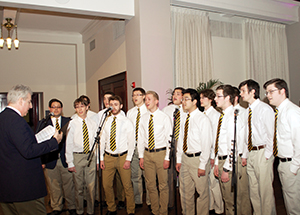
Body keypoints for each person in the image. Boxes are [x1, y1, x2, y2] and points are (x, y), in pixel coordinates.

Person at [0, 84, 62, 215]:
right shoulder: (16, 121)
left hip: (6, 187)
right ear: (21, 100)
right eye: (29, 102)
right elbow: (28, 151)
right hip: (23, 188)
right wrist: (53, 142)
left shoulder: (3, 118)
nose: (31, 106)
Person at [239, 79, 276, 215]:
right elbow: (246, 135)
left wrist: (267, 155)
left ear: (252, 91)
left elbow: (271, 134)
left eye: (243, 91)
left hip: (262, 152)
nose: (241, 94)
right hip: (251, 152)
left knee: (265, 190)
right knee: (253, 190)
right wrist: (245, 155)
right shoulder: (247, 111)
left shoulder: (264, 109)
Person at [264, 78, 300, 215]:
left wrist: (294, 166)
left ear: (282, 91)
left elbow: (299, 141)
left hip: (292, 164)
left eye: (271, 91)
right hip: (283, 162)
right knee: (289, 202)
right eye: (267, 93)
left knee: (294, 206)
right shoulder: (278, 112)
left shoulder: (292, 112)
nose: (268, 96)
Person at [176, 88, 212, 215]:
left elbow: (207, 144)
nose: (183, 102)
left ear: (195, 101)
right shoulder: (184, 118)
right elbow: (181, 139)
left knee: (202, 193)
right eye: (183, 99)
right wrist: (179, 159)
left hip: (198, 159)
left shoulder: (203, 119)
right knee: (185, 192)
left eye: (186, 99)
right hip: (185, 159)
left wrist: (202, 165)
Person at [37, 98, 76, 215]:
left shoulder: (69, 121)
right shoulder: (43, 123)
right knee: (54, 186)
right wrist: (42, 160)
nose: (56, 109)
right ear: (49, 109)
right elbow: (39, 142)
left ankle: (72, 206)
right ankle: (56, 207)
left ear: (62, 109)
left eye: (58, 107)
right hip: (50, 160)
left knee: (69, 185)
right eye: (53, 107)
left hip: (65, 159)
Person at [214, 85, 246, 215]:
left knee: (232, 201)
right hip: (222, 159)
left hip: (229, 162)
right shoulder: (223, 116)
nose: (215, 98)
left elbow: (233, 145)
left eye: (218, 96)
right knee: (227, 199)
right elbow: (220, 143)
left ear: (228, 98)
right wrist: (217, 162)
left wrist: (227, 169)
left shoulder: (233, 116)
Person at [100, 95, 135, 215]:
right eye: (111, 104)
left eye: (116, 104)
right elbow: (102, 140)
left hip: (123, 157)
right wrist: (101, 159)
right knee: (106, 185)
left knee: (127, 186)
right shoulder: (106, 120)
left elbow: (132, 142)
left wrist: (128, 159)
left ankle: (130, 210)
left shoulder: (126, 122)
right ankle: (111, 208)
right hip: (108, 157)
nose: (113, 107)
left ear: (121, 106)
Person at [138, 91, 172, 215]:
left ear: (156, 101)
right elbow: (141, 139)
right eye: (145, 99)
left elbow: (169, 139)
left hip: (161, 153)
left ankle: (163, 212)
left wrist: (167, 158)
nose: (146, 101)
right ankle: (155, 210)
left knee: (163, 185)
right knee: (150, 185)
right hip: (147, 154)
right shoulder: (143, 118)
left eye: (149, 99)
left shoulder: (164, 117)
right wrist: (141, 156)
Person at [93, 91, 126, 209]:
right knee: (107, 183)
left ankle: (121, 199)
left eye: (109, 99)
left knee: (121, 180)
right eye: (105, 99)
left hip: (121, 153)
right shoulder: (101, 115)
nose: (107, 101)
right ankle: (109, 203)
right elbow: (101, 136)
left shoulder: (122, 115)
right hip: (108, 153)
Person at [65, 97, 98, 215]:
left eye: (82, 106)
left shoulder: (93, 123)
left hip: (90, 156)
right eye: (77, 107)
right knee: (78, 187)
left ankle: (90, 211)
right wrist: (70, 162)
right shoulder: (72, 124)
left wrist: (97, 160)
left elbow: (96, 143)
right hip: (77, 157)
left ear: (87, 107)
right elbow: (68, 144)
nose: (80, 109)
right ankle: (79, 211)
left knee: (91, 187)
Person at [199, 89, 224, 215]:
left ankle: (219, 209)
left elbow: (216, 138)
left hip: (212, 154)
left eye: (203, 97)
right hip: (204, 153)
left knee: (214, 184)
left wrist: (214, 156)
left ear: (210, 99)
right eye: (200, 98)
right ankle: (210, 206)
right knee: (207, 184)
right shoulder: (202, 114)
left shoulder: (215, 115)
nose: (201, 100)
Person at [162, 87, 186, 210]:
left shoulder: (187, 110)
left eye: (178, 94)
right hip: (170, 143)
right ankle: (170, 203)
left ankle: (184, 205)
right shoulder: (166, 110)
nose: (174, 96)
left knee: (182, 175)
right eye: (173, 94)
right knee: (169, 176)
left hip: (183, 144)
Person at [126, 87, 151, 209]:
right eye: (133, 95)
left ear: (144, 96)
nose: (135, 97)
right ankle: (138, 200)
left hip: (146, 147)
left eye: (138, 95)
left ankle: (151, 201)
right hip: (133, 147)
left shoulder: (149, 110)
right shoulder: (130, 112)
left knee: (148, 176)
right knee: (135, 176)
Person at [232, 87, 251, 215]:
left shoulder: (243, 112)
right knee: (235, 191)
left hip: (240, 156)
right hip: (231, 157)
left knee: (243, 190)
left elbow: (245, 137)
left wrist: (244, 155)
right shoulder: (227, 114)